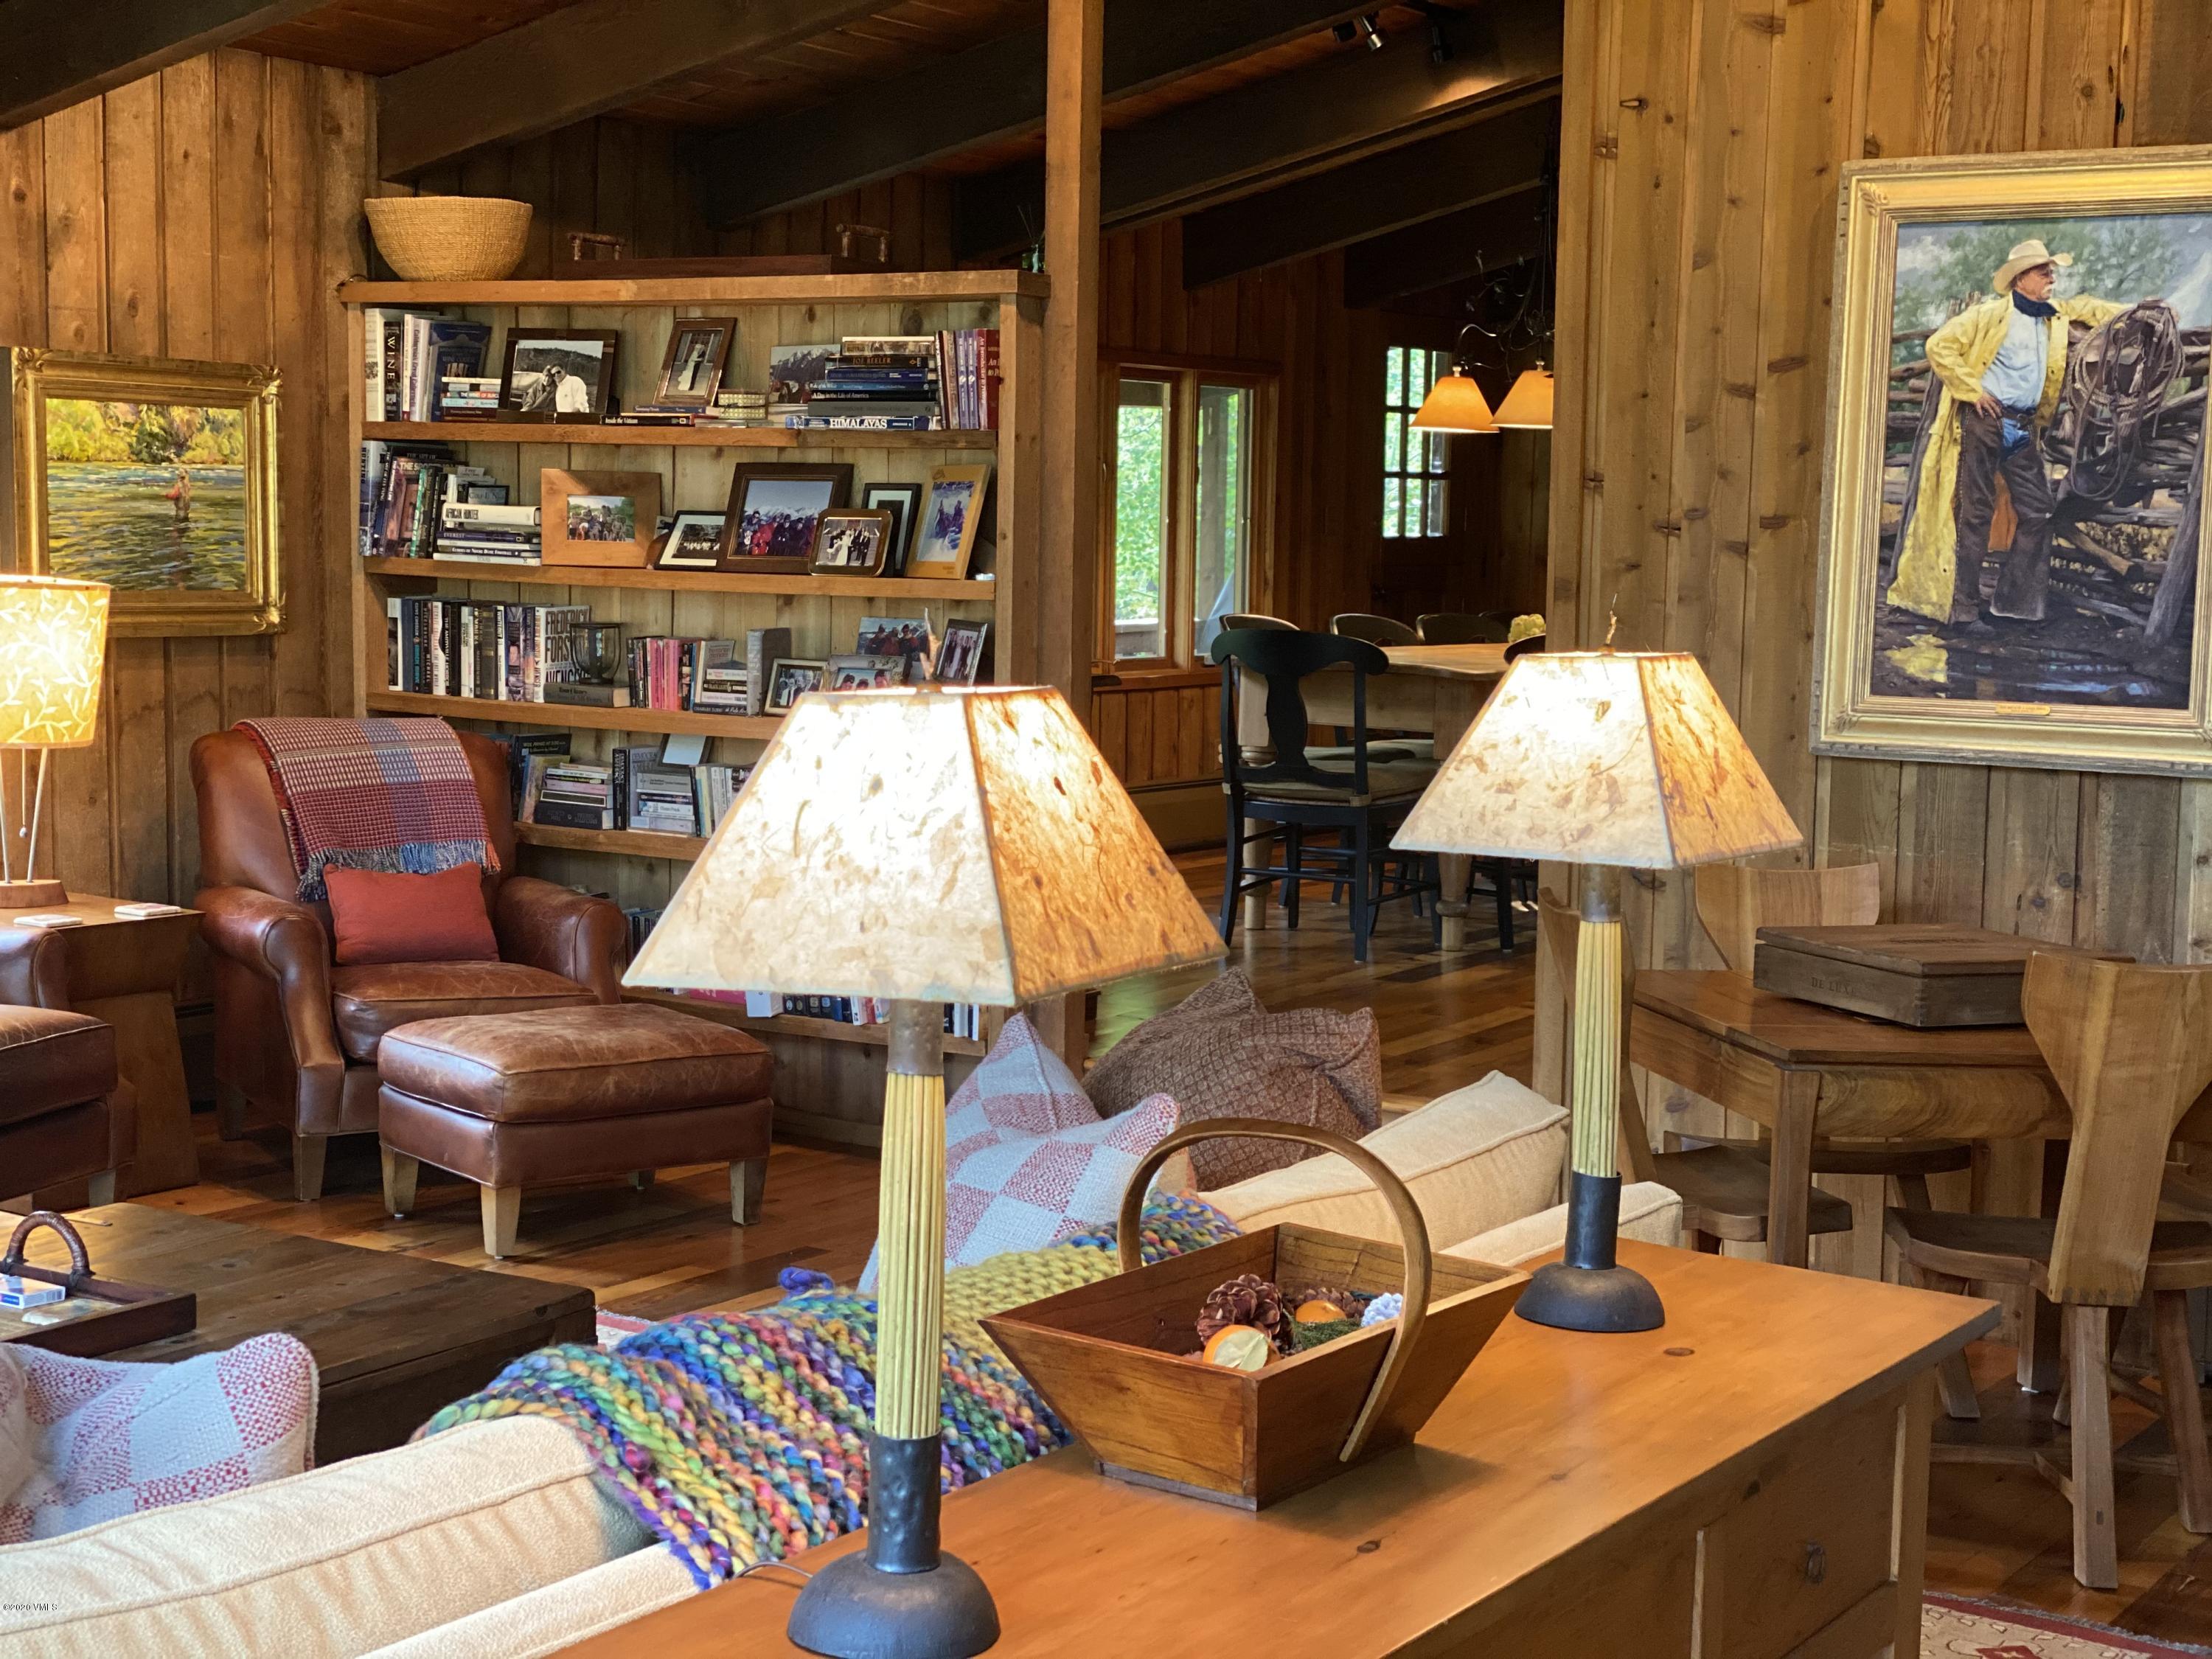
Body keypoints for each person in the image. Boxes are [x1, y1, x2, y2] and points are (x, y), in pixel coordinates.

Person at [1888, 237, 2133, 625]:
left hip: (2021, 427)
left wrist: (2142, 310)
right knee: (1975, 513)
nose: (2051, 277)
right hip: (1985, 421)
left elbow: (2094, 307)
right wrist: (1973, 389)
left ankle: (2013, 603)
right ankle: (1964, 611)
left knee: (2038, 510)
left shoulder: (2055, 315)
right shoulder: (1988, 315)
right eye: (2043, 272)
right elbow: (1940, 346)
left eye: (2051, 271)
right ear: (2021, 279)